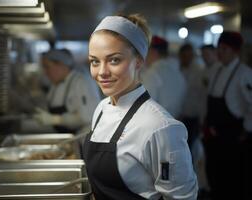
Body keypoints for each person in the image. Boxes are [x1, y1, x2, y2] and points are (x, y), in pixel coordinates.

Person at [83, 14, 198, 200]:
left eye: (114, 60)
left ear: (138, 61)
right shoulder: (101, 109)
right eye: (95, 61)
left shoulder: (160, 127)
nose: (102, 72)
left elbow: (182, 197)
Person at [203, 31, 252, 200]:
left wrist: (246, 131)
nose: (219, 53)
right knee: (214, 176)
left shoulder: (244, 74)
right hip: (213, 138)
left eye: (224, 49)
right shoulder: (216, 70)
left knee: (231, 182)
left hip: (232, 138)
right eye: (219, 48)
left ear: (235, 51)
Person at [34, 48, 101, 134]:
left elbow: (86, 116)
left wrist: (55, 119)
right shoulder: (56, 84)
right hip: (66, 135)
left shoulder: (81, 82)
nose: (45, 72)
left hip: (83, 138)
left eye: (47, 67)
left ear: (61, 65)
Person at [141, 35, 186, 119]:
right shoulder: (179, 74)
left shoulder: (152, 74)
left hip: (157, 126)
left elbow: (144, 108)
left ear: (153, 52)